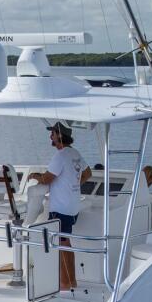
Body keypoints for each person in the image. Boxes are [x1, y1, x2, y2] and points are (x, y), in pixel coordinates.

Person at [29, 121, 91, 290]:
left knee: (61, 244)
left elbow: (47, 179)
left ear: (60, 136)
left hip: (61, 208)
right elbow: (88, 173)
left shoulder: (60, 155)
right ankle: (71, 281)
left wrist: (35, 176)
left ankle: (65, 282)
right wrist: (74, 184)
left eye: (53, 133)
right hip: (73, 207)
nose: (51, 136)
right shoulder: (75, 153)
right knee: (65, 242)